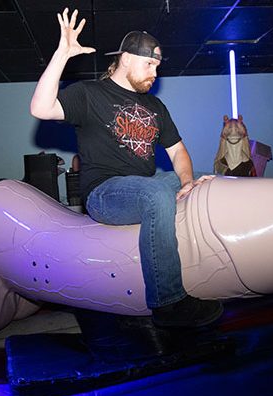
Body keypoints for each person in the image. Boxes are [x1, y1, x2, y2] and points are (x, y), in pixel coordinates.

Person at [30, 8, 223, 328]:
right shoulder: (90, 94)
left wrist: (188, 181)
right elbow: (41, 107)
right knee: (156, 195)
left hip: (147, 183)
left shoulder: (155, 106)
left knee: (210, 179)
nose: (155, 73)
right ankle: (169, 303)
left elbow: (178, 151)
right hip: (105, 193)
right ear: (127, 59)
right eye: (150, 65)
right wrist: (62, 55)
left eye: (157, 66)